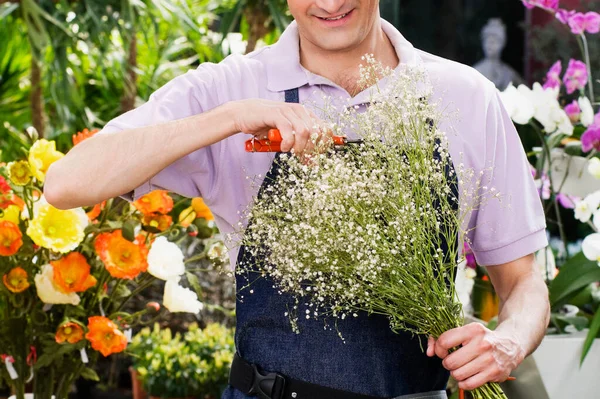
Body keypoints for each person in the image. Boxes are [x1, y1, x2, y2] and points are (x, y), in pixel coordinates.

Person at [44, 1, 550, 398]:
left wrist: (508, 343)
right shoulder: (232, 86)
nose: (329, 3)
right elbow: (67, 183)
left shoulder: (464, 95)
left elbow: (523, 282)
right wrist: (229, 118)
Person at [473, 18, 525, 91]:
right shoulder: (476, 71)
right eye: (487, 41)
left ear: (502, 44)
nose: (489, 45)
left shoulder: (509, 73)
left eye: (494, 41)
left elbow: (524, 89)